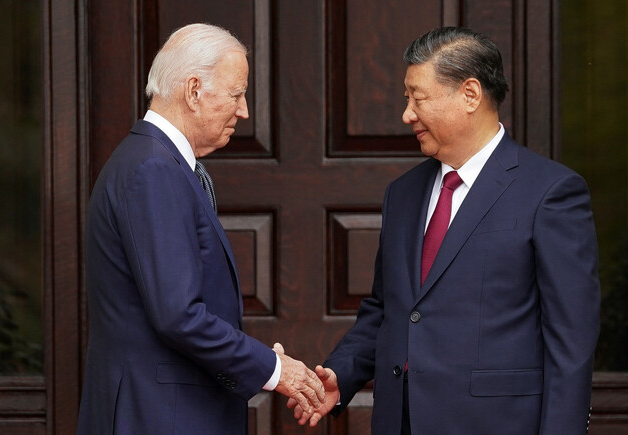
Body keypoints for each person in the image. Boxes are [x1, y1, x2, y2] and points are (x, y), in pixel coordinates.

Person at [289, 26, 600, 434]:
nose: (407, 114)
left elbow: (571, 342)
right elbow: (388, 309)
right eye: (406, 99)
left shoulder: (550, 193)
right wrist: (340, 374)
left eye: (418, 98)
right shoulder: (403, 194)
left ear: (470, 94)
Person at [76, 23, 325, 434]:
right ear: (194, 90)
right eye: (236, 94)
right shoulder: (154, 169)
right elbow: (179, 316)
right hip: (160, 415)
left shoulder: (154, 161)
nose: (244, 111)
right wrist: (276, 369)